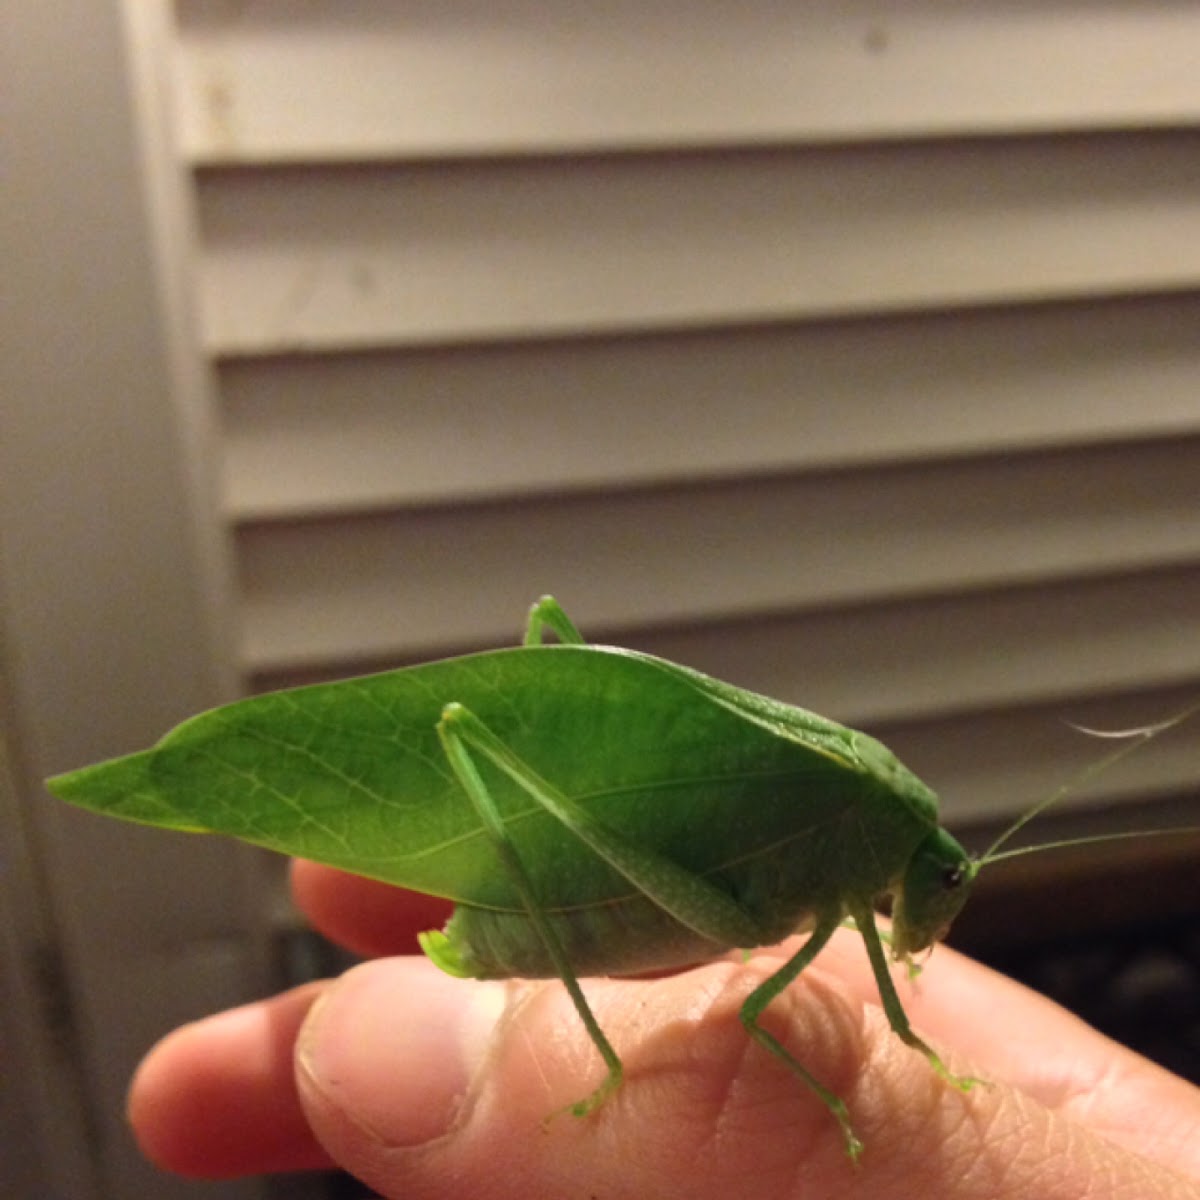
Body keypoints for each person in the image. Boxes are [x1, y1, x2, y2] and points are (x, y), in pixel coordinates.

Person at [130, 860, 1200, 1199]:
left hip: (690, 899)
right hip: (646, 896)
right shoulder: (852, 861)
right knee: (754, 1012)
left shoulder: (863, 881)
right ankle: (591, 1058)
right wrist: (838, 1105)